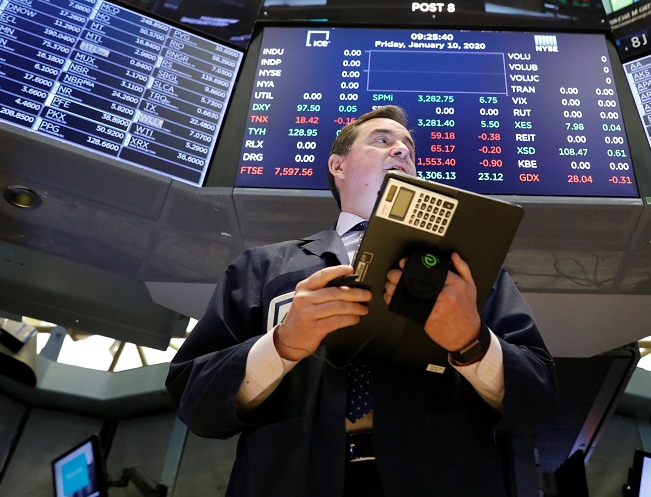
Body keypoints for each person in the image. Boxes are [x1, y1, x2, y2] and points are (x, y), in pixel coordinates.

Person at [166, 105, 555, 496]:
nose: (402, 151)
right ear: (338, 165)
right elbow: (196, 403)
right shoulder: (263, 266)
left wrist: (472, 342)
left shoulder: (465, 273)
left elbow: (535, 401)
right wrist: (282, 346)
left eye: (409, 149)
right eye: (382, 140)